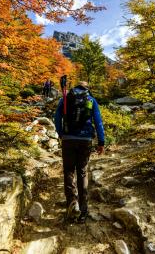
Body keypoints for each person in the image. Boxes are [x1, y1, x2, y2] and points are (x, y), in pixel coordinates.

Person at [54, 81, 105, 223]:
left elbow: (57, 117)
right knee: (82, 171)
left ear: (75, 87)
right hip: (85, 140)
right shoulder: (91, 100)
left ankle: (72, 202)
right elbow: (98, 121)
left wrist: (61, 133)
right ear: (87, 89)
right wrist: (101, 141)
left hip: (68, 139)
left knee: (69, 171)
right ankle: (83, 210)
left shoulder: (65, 98)